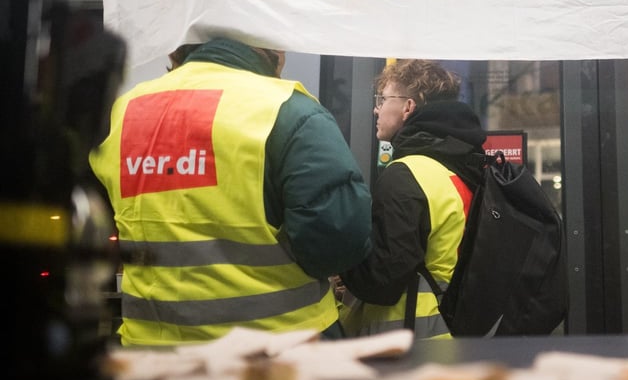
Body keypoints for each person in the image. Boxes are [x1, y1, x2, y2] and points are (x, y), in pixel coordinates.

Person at [89, 37, 372, 346]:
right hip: (277, 355)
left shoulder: (122, 111)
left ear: (176, 47)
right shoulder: (289, 110)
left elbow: (95, 223)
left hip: (153, 356)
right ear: (274, 49)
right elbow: (338, 243)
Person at [338, 59, 487, 338]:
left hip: (408, 340)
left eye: (383, 99)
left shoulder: (406, 175)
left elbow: (381, 281)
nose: (376, 109)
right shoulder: (461, 168)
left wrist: (342, 261)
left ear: (407, 107)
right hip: (454, 330)